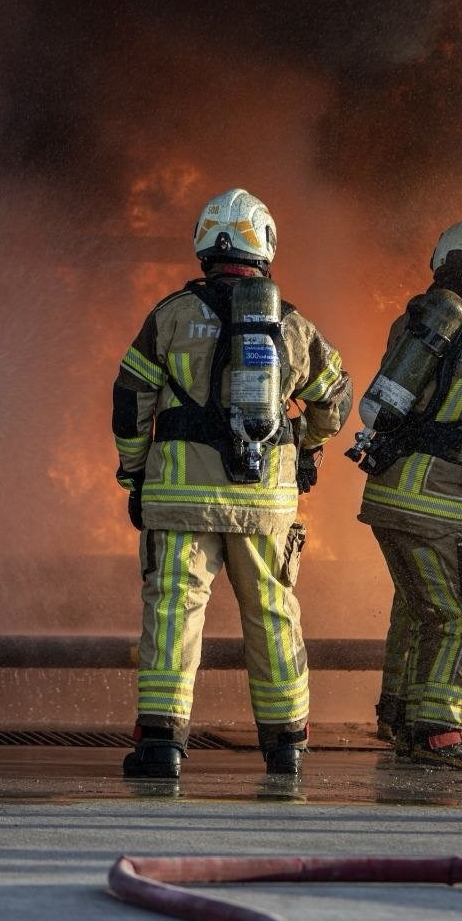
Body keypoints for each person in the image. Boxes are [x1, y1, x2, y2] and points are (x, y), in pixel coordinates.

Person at [111, 187, 352, 779]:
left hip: (179, 498)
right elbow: (337, 398)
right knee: (271, 611)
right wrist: (308, 445)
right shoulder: (291, 324)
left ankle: (161, 745)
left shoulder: (168, 315)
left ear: (204, 245)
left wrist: (133, 470)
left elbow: (129, 398)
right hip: (262, 500)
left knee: (172, 612)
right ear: (264, 246)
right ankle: (286, 745)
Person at [355, 217, 462, 771]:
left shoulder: (414, 324)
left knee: (419, 608)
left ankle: (400, 718)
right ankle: (442, 730)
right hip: (445, 504)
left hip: (387, 490)